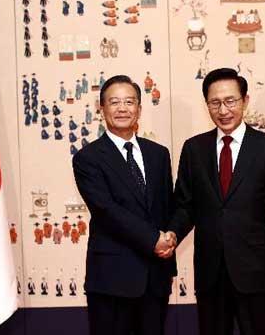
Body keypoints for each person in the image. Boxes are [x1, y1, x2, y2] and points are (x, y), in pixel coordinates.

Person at [165, 68, 265, 335]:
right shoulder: (194, 149)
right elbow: (186, 205)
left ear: (245, 101)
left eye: (230, 101)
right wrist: (171, 234)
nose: (223, 110)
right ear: (207, 105)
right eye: (215, 103)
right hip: (210, 273)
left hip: (257, 273)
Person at [72, 75, 177, 335]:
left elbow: (167, 205)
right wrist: (154, 239)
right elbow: (107, 211)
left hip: (155, 278)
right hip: (111, 279)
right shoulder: (88, 158)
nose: (122, 108)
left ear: (139, 109)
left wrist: (171, 235)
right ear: (102, 108)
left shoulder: (158, 154)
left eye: (129, 102)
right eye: (114, 102)